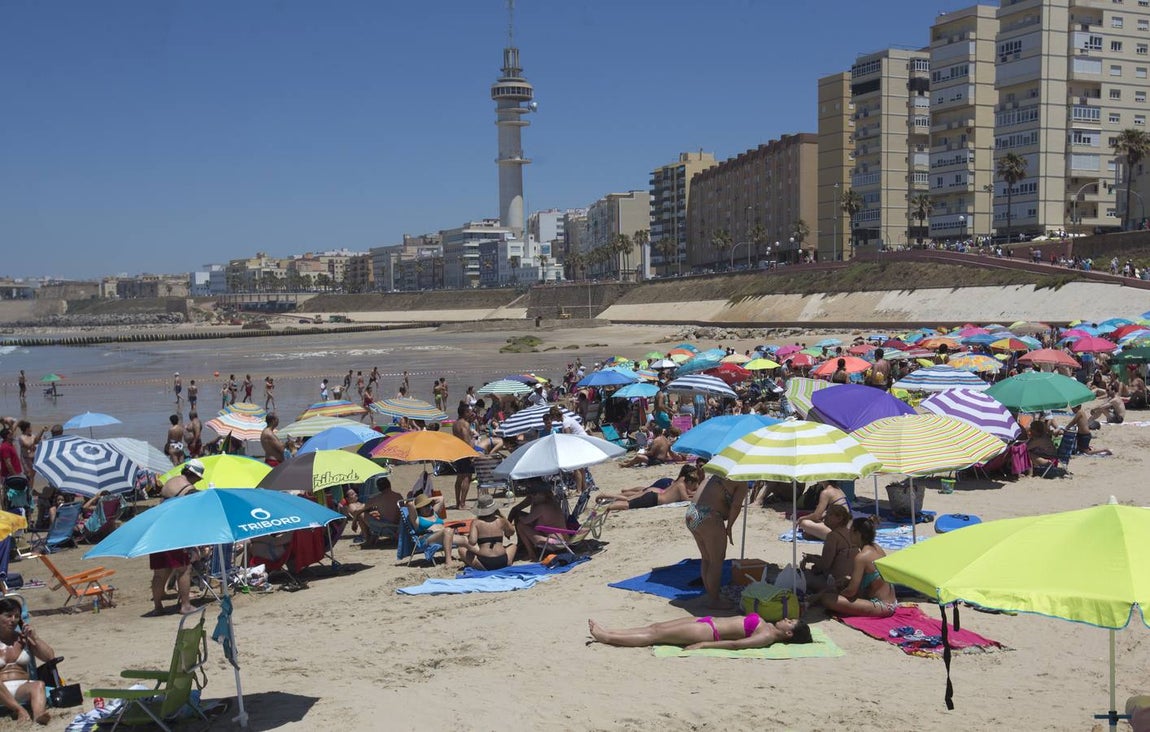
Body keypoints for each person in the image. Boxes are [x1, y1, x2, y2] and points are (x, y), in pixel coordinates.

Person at [150, 459, 204, 616]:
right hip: (173, 531)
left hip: (158, 530)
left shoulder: (172, 481)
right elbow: (194, 510)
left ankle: (158, 607)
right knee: (183, 569)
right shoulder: (188, 488)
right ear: (193, 475)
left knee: (160, 572)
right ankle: (185, 605)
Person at [685, 475, 748, 609]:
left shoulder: (712, 475)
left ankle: (711, 595)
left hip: (692, 513)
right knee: (716, 560)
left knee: (706, 558)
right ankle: (714, 600)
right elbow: (736, 506)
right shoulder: (741, 482)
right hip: (709, 516)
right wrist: (729, 526)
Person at [817, 516, 897, 617]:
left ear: (857, 533)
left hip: (882, 606)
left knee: (827, 599)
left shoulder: (861, 557)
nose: (848, 534)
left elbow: (851, 591)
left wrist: (837, 593)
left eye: (850, 531)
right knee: (842, 583)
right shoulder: (877, 548)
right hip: (892, 602)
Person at [587, 615, 812, 651]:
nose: (785, 619)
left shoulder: (767, 636)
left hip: (707, 632)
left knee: (656, 636)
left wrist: (704, 646)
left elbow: (736, 645)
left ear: (789, 634)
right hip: (706, 621)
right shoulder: (770, 626)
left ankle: (607, 638)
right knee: (655, 627)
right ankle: (611, 631)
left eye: (789, 622)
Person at [0, 597, 55, 724]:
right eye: (8, 616)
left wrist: (35, 638)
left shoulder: (23, 639)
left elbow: (49, 657)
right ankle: (20, 710)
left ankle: (39, 716)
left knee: (38, 685)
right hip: (1, 691)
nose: (13, 620)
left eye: (17, 616)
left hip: (22, 688)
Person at [800, 504, 857, 593]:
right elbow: (837, 557)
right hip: (850, 579)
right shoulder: (849, 532)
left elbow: (825, 564)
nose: (825, 517)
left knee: (801, 576)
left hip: (836, 582)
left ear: (839, 518)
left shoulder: (833, 536)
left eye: (829, 514)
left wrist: (810, 559)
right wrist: (813, 558)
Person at [598, 464, 703, 511]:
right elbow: (686, 499)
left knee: (629, 499)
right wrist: (699, 497)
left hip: (654, 496)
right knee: (627, 505)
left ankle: (607, 497)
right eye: (693, 485)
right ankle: (608, 506)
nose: (693, 487)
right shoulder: (681, 485)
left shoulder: (680, 482)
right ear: (689, 481)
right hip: (653, 499)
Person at [404, 494, 466, 569]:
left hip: (445, 536)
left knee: (465, 539)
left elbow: (441, 498)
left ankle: (478, 558)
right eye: (424, 506)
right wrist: (417, 501)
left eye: (428, 505)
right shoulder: (416, 519)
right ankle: (448, 562)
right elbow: (410, 504)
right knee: (447, 530)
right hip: (427, 538)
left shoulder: (434, 513)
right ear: (419, 508)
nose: (428, 508)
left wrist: (427, 500)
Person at [507, 483, 566, 562]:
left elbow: (526, 521)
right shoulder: (554, 503)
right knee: (524, 523)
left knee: (521, 525)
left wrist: (519, 517)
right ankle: (529, 551)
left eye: (534, 494)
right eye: (531, 494)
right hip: (564, 539)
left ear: (543, 494)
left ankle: (531, 554)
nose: (532, 497)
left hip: (554, 542)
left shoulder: (541, 507)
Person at [458, 494, 516, 570]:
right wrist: (502, 516)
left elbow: (472, 542)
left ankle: (480, 567)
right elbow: (511, 532)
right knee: (513, 546)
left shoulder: (476, 522)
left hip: (484, 562)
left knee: (461, 549)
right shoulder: (501, 521)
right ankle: (507, 563)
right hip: (502, 560)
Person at [451, 404, 477, 509]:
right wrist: (472, 453)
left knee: (459, 478)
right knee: (467, 477)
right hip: (465, 452)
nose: (471, 413)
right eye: (469, 411)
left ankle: (458, 502)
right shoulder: (464, 424)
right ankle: (462, 503)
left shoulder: (455, 424)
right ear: (465, 412)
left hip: (458, 452)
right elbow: (466, 439)